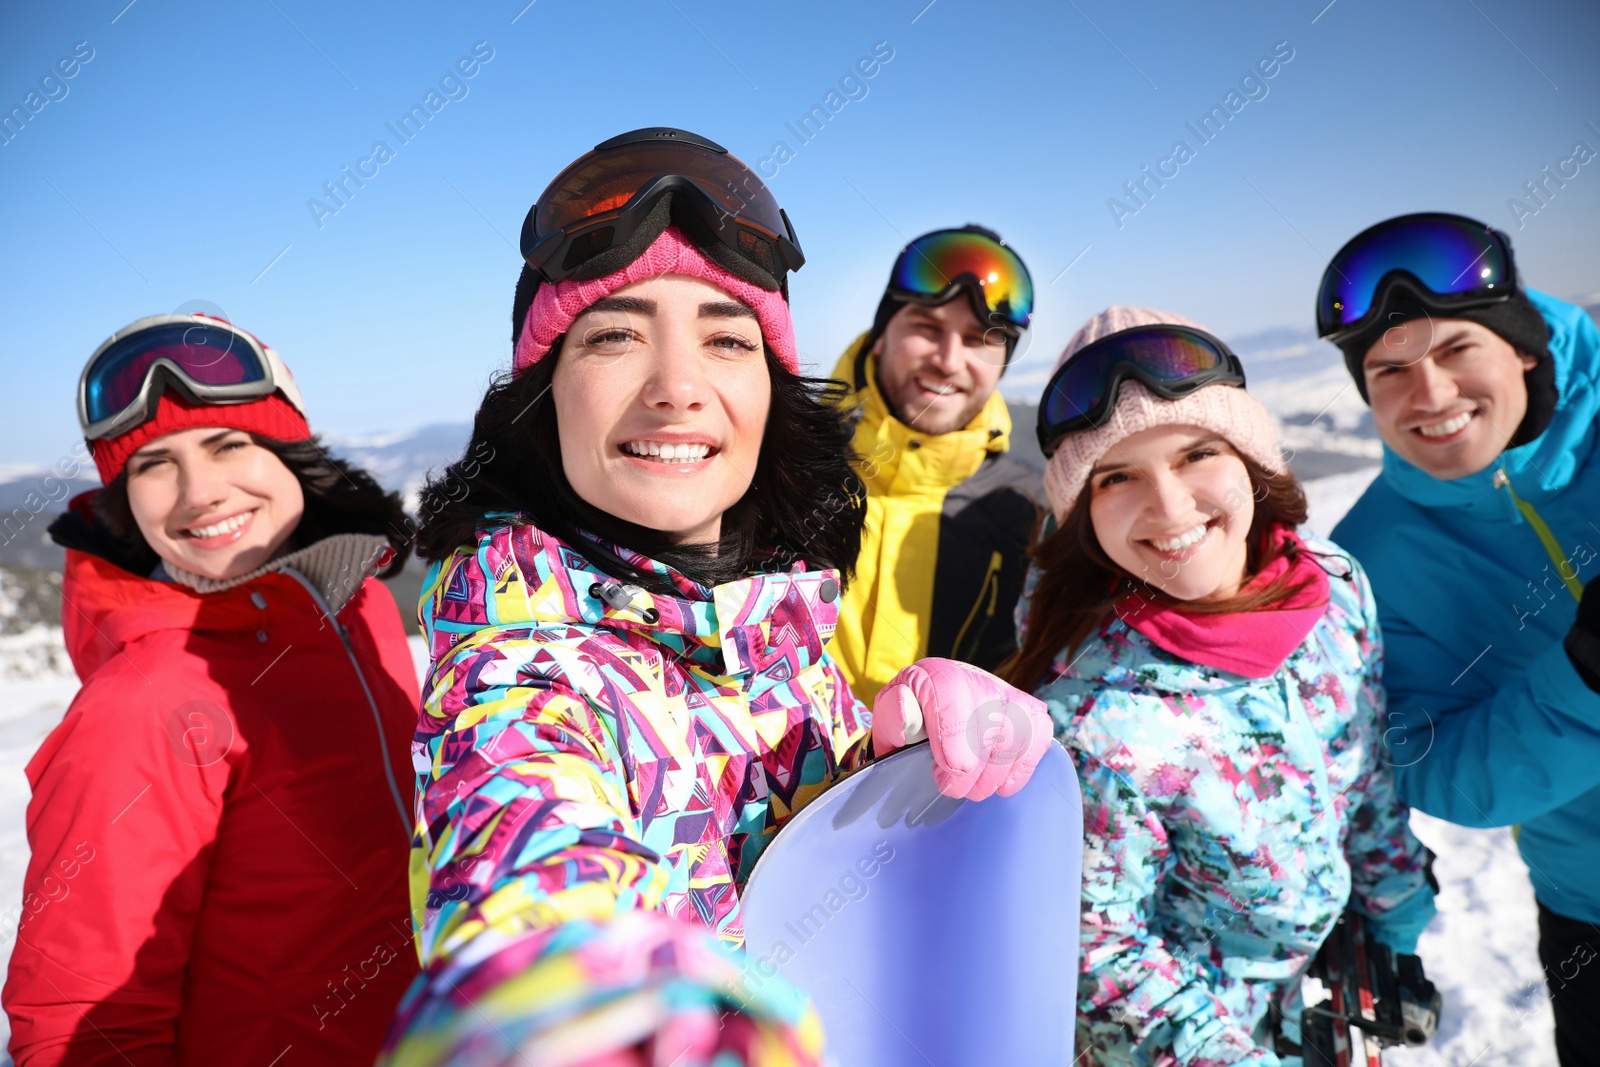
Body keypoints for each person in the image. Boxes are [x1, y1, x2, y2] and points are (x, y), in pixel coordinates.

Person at [381, 127, 1052, 1066]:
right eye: (616, 333)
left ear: (769, 389)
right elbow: (526, 843)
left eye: (726, 339)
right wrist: (564, 1007)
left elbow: (771, 864)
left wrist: (881, 769)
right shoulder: (521, 677)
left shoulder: (770, 613)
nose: (678, 387)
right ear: (545, 395)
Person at [1006, 306, 1437, 1066]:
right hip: (1202, 1031)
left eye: (1196, 453)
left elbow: (1366, 770)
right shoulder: (1095, 719)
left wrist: (1396, 919)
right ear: (1085, 516)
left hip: (1322, 992)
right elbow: (1101, 952)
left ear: (1251, 462)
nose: (1169, 507)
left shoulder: (1334, 592)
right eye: (1118, 477)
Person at [3, 314, 421, 1065]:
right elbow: (84, 1021)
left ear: (290, 454)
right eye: (154, 464)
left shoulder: (360, 612)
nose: (199, 492)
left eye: (229, 444)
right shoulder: (145, 706)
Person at [1317, 212, 1600, 1064]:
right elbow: (1439, 763)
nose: (1429, 394)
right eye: (1389, 369)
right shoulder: (1378, 555)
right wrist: (1583, 680)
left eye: (1454, 351)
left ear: (1521, 346)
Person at [828, 225, 1044, 704]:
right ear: (881, 336)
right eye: (927, 328)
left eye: (978, 340)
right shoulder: (781, 468)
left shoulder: (1030, 514)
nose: (948, 360)